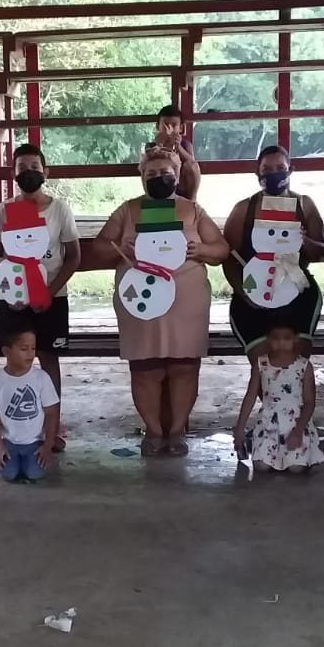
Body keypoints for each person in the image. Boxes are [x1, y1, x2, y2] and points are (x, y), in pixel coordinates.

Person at [92, 145, 229, 456]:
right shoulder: (127, 210)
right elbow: (98, 249)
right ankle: (153, 430)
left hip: (186, 300)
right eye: (151, 173)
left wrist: (201, 251)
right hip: (142, 299)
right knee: (145, 369)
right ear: (141, 177)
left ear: (177, 175)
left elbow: (221, 248)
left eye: (165, 173)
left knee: (185, 366)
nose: (158, 178)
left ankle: (178, 429)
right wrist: (119, 247)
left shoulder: (193, 210)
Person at [0, 143, 80, 442]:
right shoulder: (3, 211)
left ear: (46, 172)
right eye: (22, 169)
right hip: (13, 301)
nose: (29, 173)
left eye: (34, 168)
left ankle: (52, 426)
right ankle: (13, 428)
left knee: (48, 357)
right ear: (13, 175)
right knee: (14, 359)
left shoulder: (60, 210)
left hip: (52, 298)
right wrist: (11, 292)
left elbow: (74, 256)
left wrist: (48, 293)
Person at [222, 144, 324, 358]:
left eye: (280, 167)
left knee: (296, 361)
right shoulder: (245, 208)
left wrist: (304, 240)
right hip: (253, 294)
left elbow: (322, 252)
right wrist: (245, 294)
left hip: (297, 293)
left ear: (290, 170)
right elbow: (229, 257)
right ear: (257, 173)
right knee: (262, 365)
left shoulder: (304, 205)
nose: (274, 173)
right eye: (266, 169)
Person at [231, 321, 323, 473]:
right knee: (261, 467)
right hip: (268, 422)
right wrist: (240, 428)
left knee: (296, 469)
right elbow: (250, 396)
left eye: (286, 338)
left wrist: (298, 430)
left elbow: (309, 402)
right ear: (268, 339)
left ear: (295, 339)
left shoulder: (304, 366)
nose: (281, 343)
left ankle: (306, 453)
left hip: (296, 422)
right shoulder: (261, 364)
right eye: (275, 338)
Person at [0, 325, 60, 483]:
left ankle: (26, 460)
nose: (31, 354)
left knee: (35, 473)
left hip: (34, 442)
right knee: (7, 473)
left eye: (33, 348)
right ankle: (2, 452)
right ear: (6, 351)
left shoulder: (41, 377)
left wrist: (47, 446)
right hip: (9, 441)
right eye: (24, 349)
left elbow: (52, 412)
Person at [145, 104, 201, 200]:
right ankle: (153, 201)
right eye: (165, 125)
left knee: (192, 165)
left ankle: (192, 202)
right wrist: (160, 146)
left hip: (181, 186)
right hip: (160, 185)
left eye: (174, 125)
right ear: (158, 126)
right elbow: (146, 165)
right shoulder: (151, 146)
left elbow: (193, 165)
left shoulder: (186, 145)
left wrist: (178, 147)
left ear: (181, 128)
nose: (169, 129)